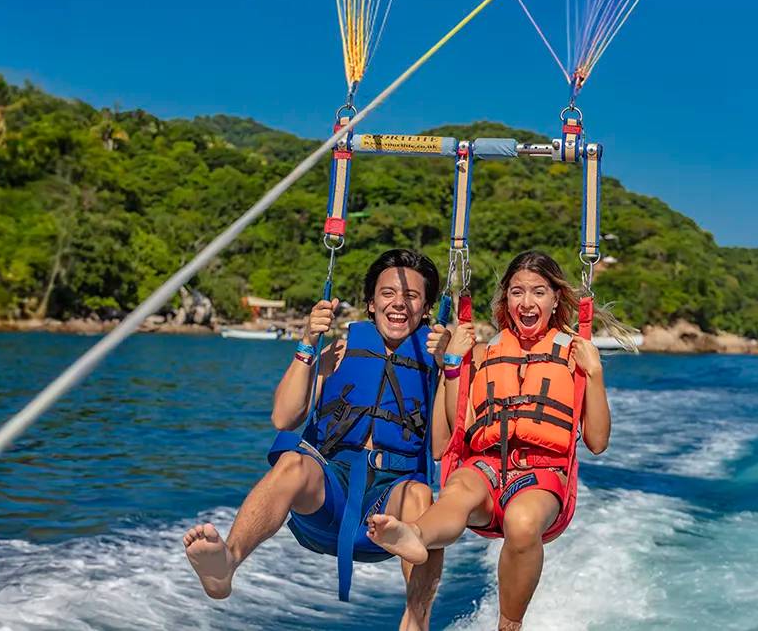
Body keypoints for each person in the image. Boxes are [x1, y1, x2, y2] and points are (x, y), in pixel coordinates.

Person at [183, 248, 449, 630]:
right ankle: (228, 561)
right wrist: (308, 341)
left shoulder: (436, 364)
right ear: (370, 303)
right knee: (293, 463)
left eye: (411, 296)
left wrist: (451, 367)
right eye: (387, 293)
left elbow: (440, 447)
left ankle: (416, 619)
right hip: (330, 496)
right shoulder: (341, 350)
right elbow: (284, 417)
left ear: (426, 309)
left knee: (424, 499)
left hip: (393, 510)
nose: (398, 304)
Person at [369, 249, 610, 631]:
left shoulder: (574, 355)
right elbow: (447, 441)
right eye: (517, 292)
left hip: (542, 474)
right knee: (458, 487)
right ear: (506, 298)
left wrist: (594, 374)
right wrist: (452, 367)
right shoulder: (482, 354)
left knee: (522, 520)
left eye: (538, 292)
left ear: (555, 299)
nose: (527, 303)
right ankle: (413, 534)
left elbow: (597, 441)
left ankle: (509, 625)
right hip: (484, 468)